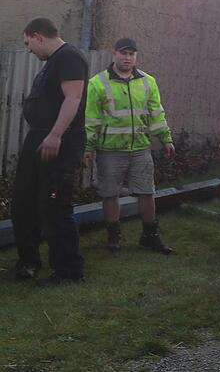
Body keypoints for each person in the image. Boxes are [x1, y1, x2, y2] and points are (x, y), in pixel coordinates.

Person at [83, 38, 175, 254]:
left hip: (140, 149)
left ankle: (150, 235)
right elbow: (91, 119)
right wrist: (88, 146)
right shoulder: (98, 83)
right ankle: (114, 237)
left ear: (136, 56)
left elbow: (156, 113)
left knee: (146, 192)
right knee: (110, 194)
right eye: (123, 53)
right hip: (110, 150)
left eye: (132, 54)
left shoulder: (147, 82)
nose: (127, 58)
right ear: (114, 54)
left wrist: (166, 138)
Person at [13, 18, 87, 285]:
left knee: (55, 204)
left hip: (60, 141)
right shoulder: (52, 63)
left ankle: (68, 271)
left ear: (38, 36)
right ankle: (28, 261)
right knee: (24, 201)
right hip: (39, 138)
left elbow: (73, 98)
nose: (29, 50)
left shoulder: (69, 57)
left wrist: (55, 135)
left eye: (28, 43)